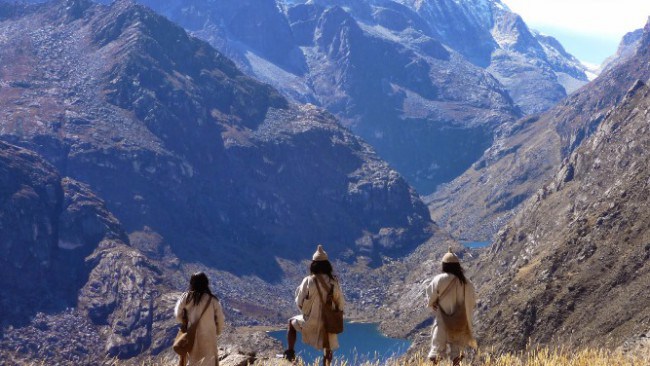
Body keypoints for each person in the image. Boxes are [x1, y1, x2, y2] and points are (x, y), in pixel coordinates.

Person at [283, 245, 345, 366]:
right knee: (328, 347)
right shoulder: (333, 282)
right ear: (327, 265)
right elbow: (341, 303)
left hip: (311, 321)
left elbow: (299, 301)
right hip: (328, 322)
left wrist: (306, 311)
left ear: (313, 265)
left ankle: (290, 352)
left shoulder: (308, 280)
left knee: (291, 323)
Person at [425, 248, 477, 366]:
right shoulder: (466, 282)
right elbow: (472, 301)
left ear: (444, 265)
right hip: (460, 322)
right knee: (456, 356)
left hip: (442, 321)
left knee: (436, 354)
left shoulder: (439, 279)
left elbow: (430, 296)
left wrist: (433, 304)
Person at [175, 272, 226, 366]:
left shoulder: (186, 297)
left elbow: (178, 314)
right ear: (206, 283)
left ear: (192, 283)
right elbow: (220, 319)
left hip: (192, 335)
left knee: (193, 360)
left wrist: (186, 323)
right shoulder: (212, 300)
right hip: (209, 336)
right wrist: (217, 332)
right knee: (209, 360)